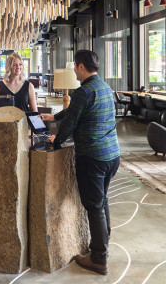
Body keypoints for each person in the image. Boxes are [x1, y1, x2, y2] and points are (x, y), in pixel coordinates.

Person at [50, 50, 120, 276]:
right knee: (102, 199)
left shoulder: (83, 91)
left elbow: (70, 124)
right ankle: (103, 239)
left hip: (93, 157)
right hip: (112, 156)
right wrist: (53, 117)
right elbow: (73, 112)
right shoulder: (105, 88)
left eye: (75, 68)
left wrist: (55, 140)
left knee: (94, 206)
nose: (74, 73)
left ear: (81, 67)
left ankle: (99, 258)